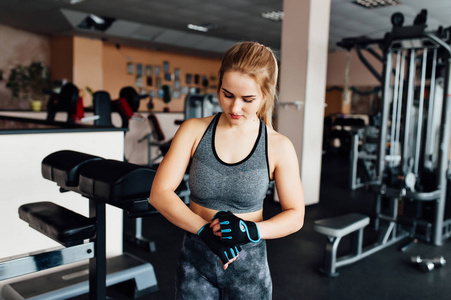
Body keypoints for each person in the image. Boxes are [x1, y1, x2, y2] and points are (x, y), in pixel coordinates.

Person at [149, 41, 305, 299]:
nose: (234, 108)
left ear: (265, 95)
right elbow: (160, 193)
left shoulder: (278, 146)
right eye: (227, 94)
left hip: (249, 267)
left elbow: (296, 215)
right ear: (219, 85)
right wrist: (203, 231)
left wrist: (251, 230)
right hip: (196, 259)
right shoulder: (194, 130)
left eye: (248, 99)